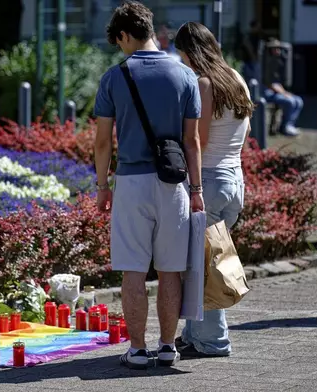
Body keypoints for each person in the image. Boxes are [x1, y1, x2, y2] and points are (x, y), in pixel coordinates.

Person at [93, 1, 203, 369]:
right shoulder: (185, 75)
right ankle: (168, 346)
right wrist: (198, 190)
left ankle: (138, 350)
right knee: (171, 269)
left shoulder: (114, 77)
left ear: (125, 35)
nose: (120, 48)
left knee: (134, 270)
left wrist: (102, 186)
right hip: (175, 183)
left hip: (131, 182)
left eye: (119, 41)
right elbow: (193, 142)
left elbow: (103, 142)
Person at [173, 21, 254, 358]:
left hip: (210, 182)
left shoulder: (204, 85)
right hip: (234, 180)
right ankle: (194, 335)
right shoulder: (236, 79)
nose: (181, 62)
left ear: (191, 53)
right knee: (203, 260)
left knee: (205, 265)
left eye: (181, 55)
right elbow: (244, 134)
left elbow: (199, 141)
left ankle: (213, 341)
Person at [262, 39, 303, 137]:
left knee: (298, 101)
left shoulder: (277, 62)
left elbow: (277, 83)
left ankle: (289, 124)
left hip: (276, 91)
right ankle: (285, 127)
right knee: (290, 102)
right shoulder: (266, 63)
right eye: (275, 49)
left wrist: (284, 92)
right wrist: (284, 93)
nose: (278, 51)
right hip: (267, 93)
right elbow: (270, 84)